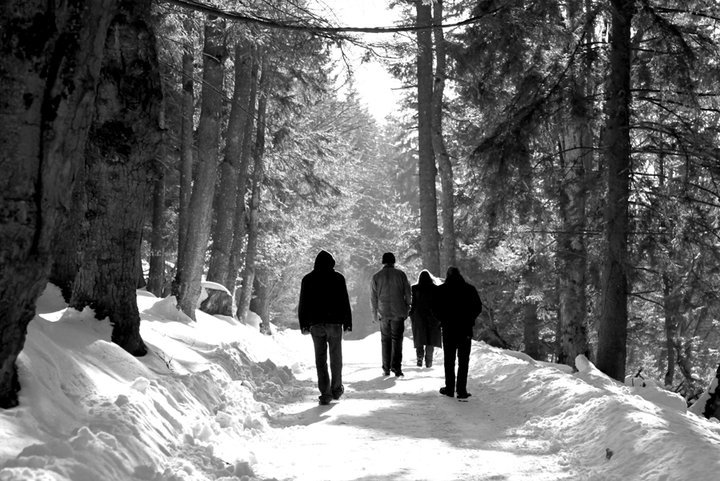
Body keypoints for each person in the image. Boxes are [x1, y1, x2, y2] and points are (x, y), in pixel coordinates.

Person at [298, 250, 352, 405]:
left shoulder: (307, 279)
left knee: (320, 359)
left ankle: (325, 393)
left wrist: (304, 324)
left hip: (316, 325)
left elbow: (303, 304)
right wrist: (347, 323)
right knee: (336, 357)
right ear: (332, 263)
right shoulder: (338, 278)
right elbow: (344, 302)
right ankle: (336, 389)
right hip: (335, 324)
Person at [432, 266, 482, 399]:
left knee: (449, 360)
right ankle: (461, 390)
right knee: (463, 360)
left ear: (447, 276)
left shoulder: (441, 290)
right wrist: (470, 319)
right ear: (460, 275)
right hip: (465, 329)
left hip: (448, 329)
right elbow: (478, 307)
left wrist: (442, 319)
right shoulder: (469, 289)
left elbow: (434, 308)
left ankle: (449, 388)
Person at [371, 252, 411, 377]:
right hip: (398, 311)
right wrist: (408, 307)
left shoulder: (376, 276)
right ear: (394, 261)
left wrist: (374, 314)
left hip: (383, 312)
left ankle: (386, 368)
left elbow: (373, 297)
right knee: (397, 340)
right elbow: (408, 293)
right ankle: (396, 368)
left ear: (383, 262)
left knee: (385, 340)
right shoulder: (401, 275)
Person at [409, 270, 441, 368]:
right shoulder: (435, 288)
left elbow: (413, 304)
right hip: (432, 317)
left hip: (419, 316)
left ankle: (419, 356)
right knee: (430, 339)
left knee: (419, 338)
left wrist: (411, 314)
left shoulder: (414, 288)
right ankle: (429, 361)